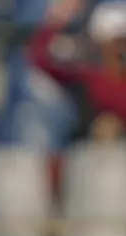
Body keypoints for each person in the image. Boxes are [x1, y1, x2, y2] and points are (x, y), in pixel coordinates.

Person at [29, 0, 126, 135]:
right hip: (87, 149)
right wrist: (57, 19)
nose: (120, 48)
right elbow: (40, 60)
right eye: (116, 41)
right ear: (101, 43)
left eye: (123, 41)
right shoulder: (89, 77)